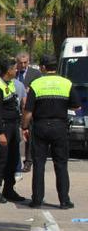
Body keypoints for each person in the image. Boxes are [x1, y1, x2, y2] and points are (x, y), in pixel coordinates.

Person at [22, 55, 82, 209]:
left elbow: (28, 111)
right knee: (61, 164)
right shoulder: (66, 83)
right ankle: (64, 201)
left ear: (42, 67)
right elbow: (77, 107)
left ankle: (37, 200)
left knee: (39, 164)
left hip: (40, 127)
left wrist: (24, 127)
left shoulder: (36, 84)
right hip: (59, 127)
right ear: (56, 67)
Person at [0, 58, 25, 204]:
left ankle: (9, 189)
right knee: (0, 159)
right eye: (15, 68)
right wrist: (1, 133)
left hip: (13, 126)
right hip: (3, 128)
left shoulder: (9, 84)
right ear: (8, 70)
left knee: (13, 158)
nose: (17, 70)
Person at [15, 52, 42, 172]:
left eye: (25, 62)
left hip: (29, 109)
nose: (23, 65)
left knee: (29, 137)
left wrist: (30, 90)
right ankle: (14, 161)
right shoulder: (13, 73)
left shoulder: (35, 74)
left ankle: (28, 161)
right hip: (15, 109)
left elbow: (40, 89)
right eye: (20, 63)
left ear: (28, 62)